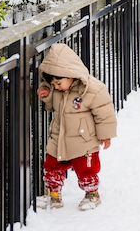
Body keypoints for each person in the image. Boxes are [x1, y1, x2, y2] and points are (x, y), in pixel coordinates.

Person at [37, 42, 117, 211]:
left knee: (86, 170)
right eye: (54, 84)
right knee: (51, 167)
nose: (57, 87)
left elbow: (105, 113)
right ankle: (53, 194)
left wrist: (106, 135)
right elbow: (52, 106)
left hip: (84, 141)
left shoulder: (92, 89)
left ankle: (91, 194)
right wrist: (47, 94)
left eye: (58, 83)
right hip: (59, 137)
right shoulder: (57, 89)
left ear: (70, 75)